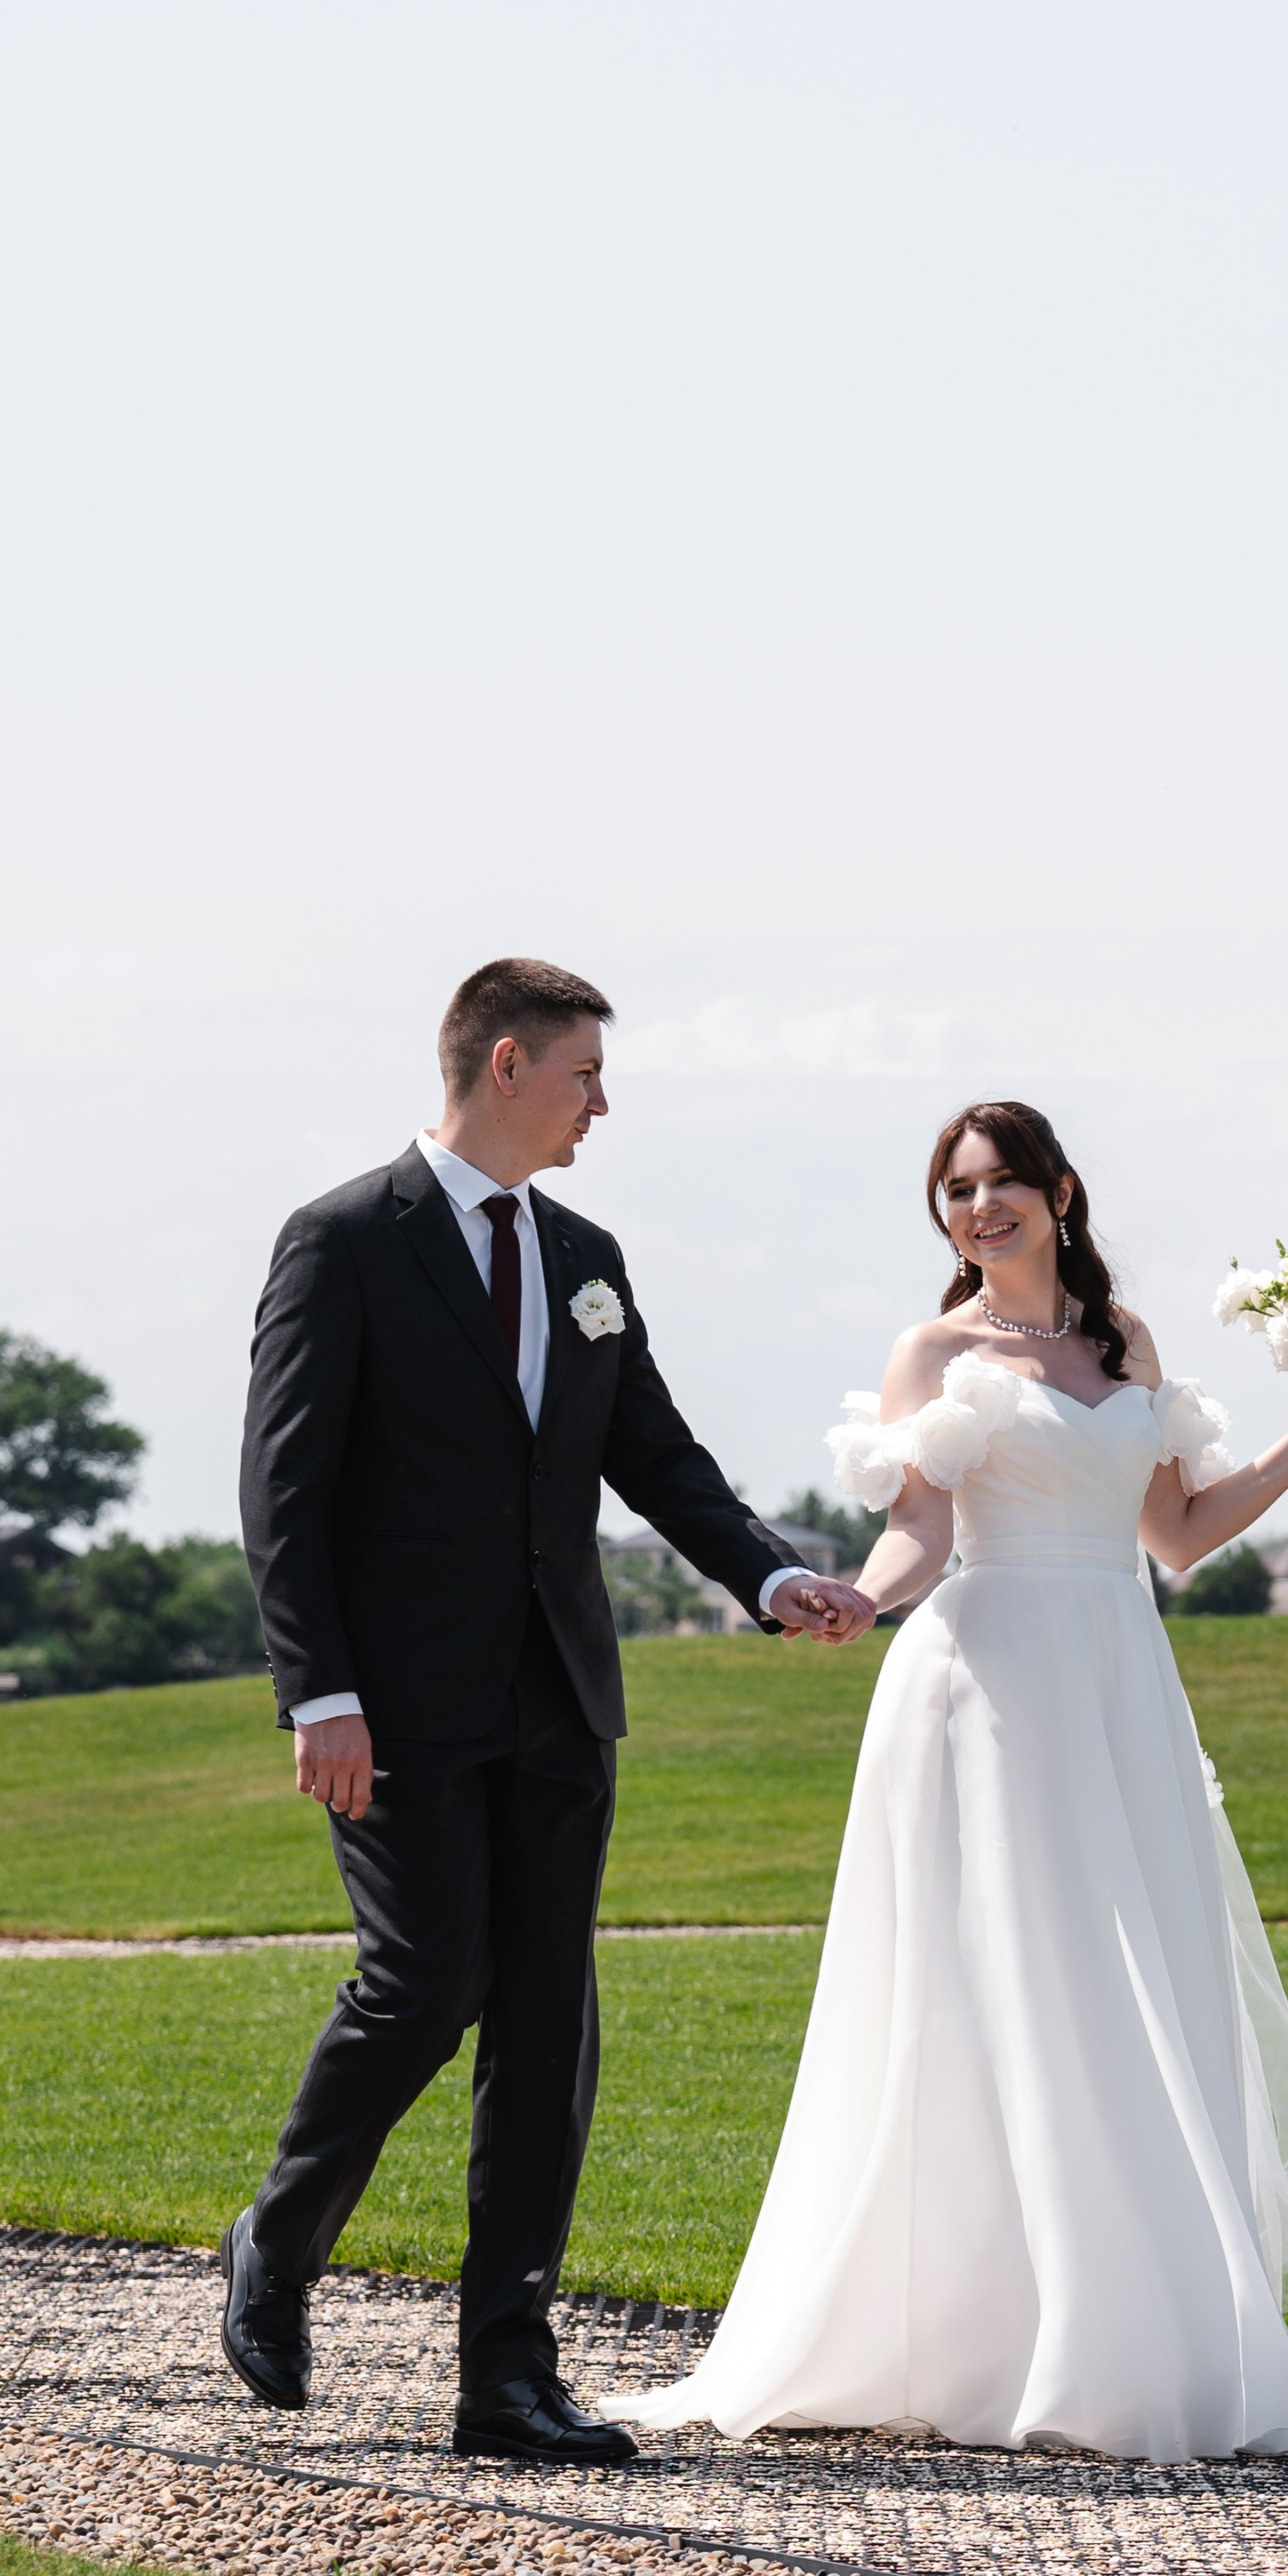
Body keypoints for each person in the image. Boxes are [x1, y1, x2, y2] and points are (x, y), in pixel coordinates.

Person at [606, 1100, 1288, 2461]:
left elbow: (1182, 1534)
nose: (979, 1210)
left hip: (1121, 1678)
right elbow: (918, 1525)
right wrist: (863, 1599)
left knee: (1135, 1966)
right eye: (957, 1191)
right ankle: (994, 2333)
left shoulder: (1123, 1344)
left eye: (1002, 1185)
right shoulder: (936, 1350)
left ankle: (1144, 2327)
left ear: (1061, 1191)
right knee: (1010, 1979)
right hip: (987, 1678)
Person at [222, 958, 876, 2466]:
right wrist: (317, 1691)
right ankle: (280, 2231)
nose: (602, 1104)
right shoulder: (340, 1241)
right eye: (586, 1075)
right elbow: (286, 1486)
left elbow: (654, 1451)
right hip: (392, 1707)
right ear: (505, 1063)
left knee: (545, 2018)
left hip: (562, 1697)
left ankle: (506, 2378)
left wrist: (771, 1579)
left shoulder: (585, 1250)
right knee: (425, 1982)